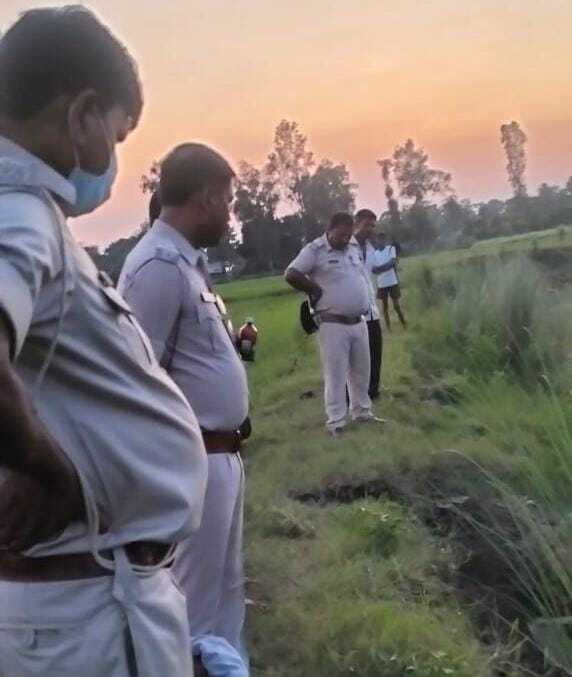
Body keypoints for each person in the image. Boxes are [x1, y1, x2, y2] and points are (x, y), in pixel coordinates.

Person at [0, 7, 207, 676]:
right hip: (87, 612)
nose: (112, 162)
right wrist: (49, 470)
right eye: (117, 134)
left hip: (80, 603)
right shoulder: (20, 210)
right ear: (83, 114)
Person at [118, 143, 249, 658]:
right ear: (206, 197)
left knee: (225, 591)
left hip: (221, 455)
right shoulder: (157, 266)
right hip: (193, 460)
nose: (230, 213)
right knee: (194, 602)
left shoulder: (188, 264)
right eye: (228, 200)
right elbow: (135, 380)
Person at [285, 212, 381, 436]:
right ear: (330, 230)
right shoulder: (315, 250)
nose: (345, 240)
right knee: (336, 374)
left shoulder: (352, 249)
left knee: (361, 372)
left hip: (359, 321)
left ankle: (362, 412)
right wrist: (313, 289)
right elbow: (291, 274)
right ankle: (336, 422)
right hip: (333, 323)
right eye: (341, 235)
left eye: (348, 235)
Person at [353, 208, 387, 399]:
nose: (370, 229)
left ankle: (373, 391)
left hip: (371, 309)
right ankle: (353, 394)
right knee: (355, 356)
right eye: (367, 225)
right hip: (353, 311)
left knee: (375, 350)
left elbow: (372, 270)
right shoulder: (346, 247)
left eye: (373, 226)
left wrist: (391, 263)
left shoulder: (371, 248)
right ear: (356, 224)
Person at [376, 231, 407, 330]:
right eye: (379, 239)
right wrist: (385, 267)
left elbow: (392, 262)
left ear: (385, 240)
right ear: (377, 240)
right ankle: (389, 328)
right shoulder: (375, 253)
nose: (381, 241)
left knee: (396, 306)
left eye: (383, 239)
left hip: (392, 282)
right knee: (385, 307)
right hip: (382, 283)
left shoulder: (391, 248)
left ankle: (404, 324)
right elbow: (374, 269)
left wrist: (380, 269)